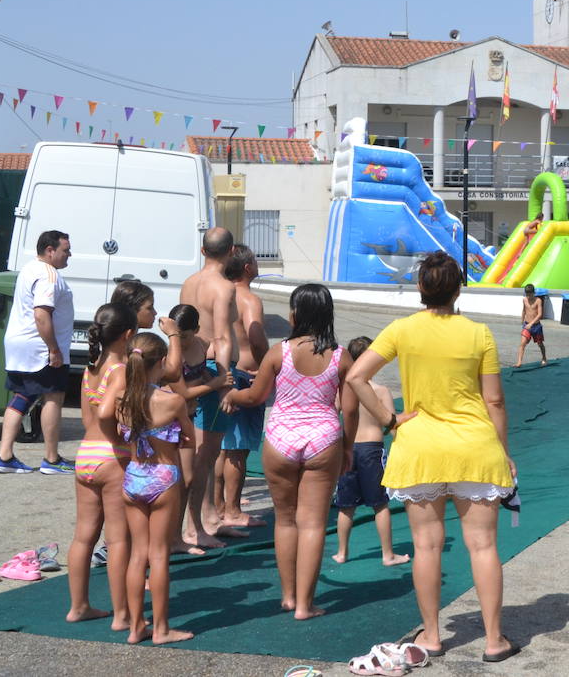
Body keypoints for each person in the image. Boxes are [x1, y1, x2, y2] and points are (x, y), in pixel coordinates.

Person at [345, 251, 521, 663]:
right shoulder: (479, 334)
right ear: (458, 288)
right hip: (475, 449)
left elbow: (356, 377)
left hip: (419, 448)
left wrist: (389, 419)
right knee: (483, 546)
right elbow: (494, 399)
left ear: (421, 288)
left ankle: (433, 636)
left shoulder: (402, 330)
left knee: (426, 546)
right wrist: (504, 452)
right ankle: (494, 640)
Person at [222, 283, 357, 620]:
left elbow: (254, 396)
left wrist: (232, 396)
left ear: (295, 314)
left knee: (285, 520)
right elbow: (351, 409)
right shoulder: (341, 356)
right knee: (312, 524)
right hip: (323, 438)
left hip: (281, 438)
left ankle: (286, 596)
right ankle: (305, 605)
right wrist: (348, 445)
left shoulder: (278, 352)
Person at [114, 331, 195, 645]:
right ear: (161, 362)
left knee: (138, 556)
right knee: (159, 556)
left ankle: (136, 627)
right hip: (163, 476)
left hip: (134, 476)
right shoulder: (172, 400)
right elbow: (189, 437)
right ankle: (161, 629)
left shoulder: (123, 399)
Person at [67, 302, 138, 627]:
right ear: (128, 335)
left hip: (86, 455)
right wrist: (125, 434)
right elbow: (112, 413)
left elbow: (86, 417)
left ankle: (78, 606)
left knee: (84, 537)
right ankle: (122, 614)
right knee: (118, 539)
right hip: (112, 456)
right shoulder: (120, 371)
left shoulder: (90, 369)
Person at [177, 228, 241, 549]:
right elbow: (222, 338)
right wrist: (225, 384)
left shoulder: (189, 282)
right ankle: (194, 527)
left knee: (202, 452)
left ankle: (209, 517)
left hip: (190, 369)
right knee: (203, 455)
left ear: (203, 251)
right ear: (230, 251)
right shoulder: (224, 287)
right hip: (212, 369)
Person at [0, 230, 76, 475]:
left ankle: (4, 455)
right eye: (65, 250)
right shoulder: (48, 274)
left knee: (22, 396)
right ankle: (51, 459)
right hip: (39, 347)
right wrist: (53, 349)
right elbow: (42, 314)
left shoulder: (29, 268)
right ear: (50, 250)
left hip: (19, 344)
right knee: (54, 396)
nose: (69, 255)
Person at [331, 336, 409, 567]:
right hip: (372, 450)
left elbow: (332, 414)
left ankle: (342, 552)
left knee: (346, 506)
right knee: (380, 504)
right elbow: (392, 424)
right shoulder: (381, 390)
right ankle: (387, 554)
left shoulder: (343, 390)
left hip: (348, 448)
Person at [165, 304, 227, 557]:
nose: (180, 340)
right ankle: (170, 537)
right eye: (177, 335)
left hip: (188, 417)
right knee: (173, 481)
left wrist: (211, 379)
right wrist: (215, 384)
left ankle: (182, 534)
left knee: (187, 479)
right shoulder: (173, 353)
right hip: (168, 420)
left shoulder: (201, 344)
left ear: (196, 330)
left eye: (185, 335)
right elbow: (182, 392)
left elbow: (197, 377)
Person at [216, 245, 270, 529]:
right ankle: (233, 510)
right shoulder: (248, 298)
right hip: (246, 373)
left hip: (222, 371)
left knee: (220, 446)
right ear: (248, 267)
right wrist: (268, 366)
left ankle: (218, 505)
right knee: (238, 448)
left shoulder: (219, 293)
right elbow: (257, 336)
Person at [515, 284, 547, 367]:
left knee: (540, 344)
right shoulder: (524, 300)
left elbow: (540, 314)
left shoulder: (538, 300)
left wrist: (531, 323)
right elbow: (524, 310)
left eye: (530, 294)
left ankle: (544, 358)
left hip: (536, 326)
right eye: (527, 294)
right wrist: (522, 320)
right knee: (522, 343)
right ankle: (519, 362)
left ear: (534, 293)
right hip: (526, 325)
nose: (528, 296)